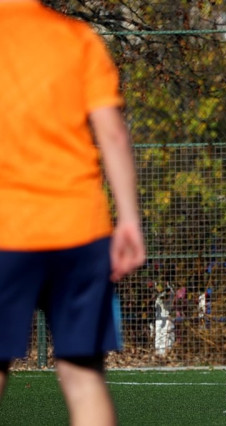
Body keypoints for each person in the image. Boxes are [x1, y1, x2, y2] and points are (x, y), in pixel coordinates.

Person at [0, 2, 146, 425]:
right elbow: (112, 134)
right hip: (80, 229)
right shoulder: (78, 39)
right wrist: (129, 220)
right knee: (83, 375)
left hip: (6, 232)